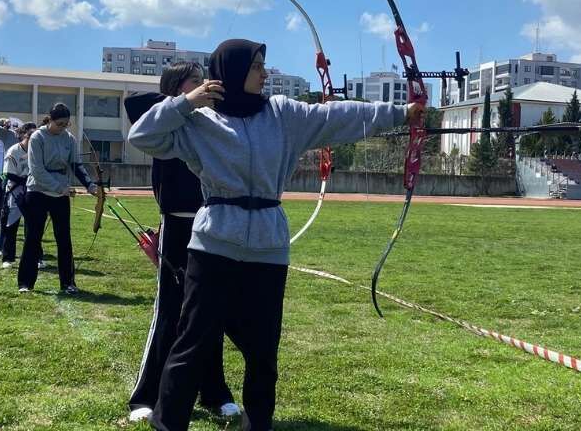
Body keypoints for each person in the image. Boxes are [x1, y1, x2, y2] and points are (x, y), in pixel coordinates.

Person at [128, 39, 419, 431]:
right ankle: (168, 424)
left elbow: (336, 117)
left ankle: (258, 425)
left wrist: (400, 112)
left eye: (264, 66)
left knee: (263, 351)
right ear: (230, 72)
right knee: (192, 342)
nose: (264, 74)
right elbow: (141, 136)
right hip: (213, 245)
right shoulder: (199, 121)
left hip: (268, 248)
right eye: (256, 67)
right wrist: (186, 102)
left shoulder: (283, 114)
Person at [124, 63, 239, 424]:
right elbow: (134, 104)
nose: (205, 86)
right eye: (195, 82)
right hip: (176, 227)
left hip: (210, 225)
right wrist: (186, 99)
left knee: (210, 312)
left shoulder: (209, 123)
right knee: (170, 312)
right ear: (177, 87)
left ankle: (214, 392)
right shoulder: (163, 120)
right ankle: (146, 394)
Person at [18, 103, 97, 294]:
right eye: (60, 124)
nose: (63, 127)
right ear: (50, 120)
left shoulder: (69, 139)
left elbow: (76, 165)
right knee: (33, 238)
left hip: (61, 193)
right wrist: (59, 188)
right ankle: (25, 283)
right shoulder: (37, 137)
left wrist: (90, 184)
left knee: (64, 238)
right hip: (37, 192)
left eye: (66, 124)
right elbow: (36, 170)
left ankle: (68, 283)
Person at [0, 122, 36, 267]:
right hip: (16, 191)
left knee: (33, 226)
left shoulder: (36, 151)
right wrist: (26, 180)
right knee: (11, 225)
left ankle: (36, 257)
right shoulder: (14, 151)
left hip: (33, 191)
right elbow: (9, 174)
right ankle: (7, 258)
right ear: (27, 138)